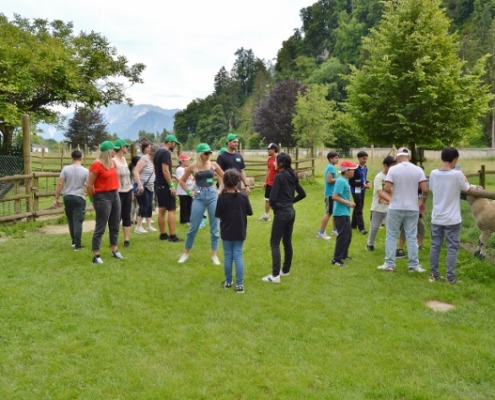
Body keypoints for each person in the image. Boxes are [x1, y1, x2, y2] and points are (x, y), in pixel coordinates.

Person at [377, 147, 428, 273]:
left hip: (396, 206)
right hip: (412, 207)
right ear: (409, 157)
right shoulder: (418, 169)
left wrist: (395, 192)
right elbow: (425, 189)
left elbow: (387, 188)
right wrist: (422, 202)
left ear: (398, 157)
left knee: (391, 235)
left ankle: (389, 264)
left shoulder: (393, 169)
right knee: (411, 236)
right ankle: (413, 265)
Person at [428, 147, 471, 284]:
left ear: (442, 158)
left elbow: (431, 188)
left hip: (437, 217)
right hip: (452, 218)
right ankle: (450, 277)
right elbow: (467, 188)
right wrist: (463, 176)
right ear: (455, 159)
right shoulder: (457, 174)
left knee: (435, 246)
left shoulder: (433, 173)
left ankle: (434, 274)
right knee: (452, 247)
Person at [262, 153, 306, 283]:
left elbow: (272, 198)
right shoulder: (292, 175)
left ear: (281, 163)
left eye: (276, 161)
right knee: (287, 241)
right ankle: (285, 270)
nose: (274, 163)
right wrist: (290, 202)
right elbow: (302, 194)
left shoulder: (279, 177)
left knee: (274, 242)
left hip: (282, 213)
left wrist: (276, 207)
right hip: (291, 212)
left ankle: (275, 275)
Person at [177, 143, 225, 265]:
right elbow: (182, 181)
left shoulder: (213, 165)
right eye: (206, 153)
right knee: (193, 227)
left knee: (215, 228)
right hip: (198, 197)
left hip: (212, 196)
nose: (209, 155)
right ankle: (185, 253)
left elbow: (224, 177)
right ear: (200, 154)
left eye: (209, 152)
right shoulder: (192, 166)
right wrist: (189, 192)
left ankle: (214, 255)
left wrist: (220, 190)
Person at [215, 169, 253, 293]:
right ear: (237, 182)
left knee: (228, 256)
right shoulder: (243, 196)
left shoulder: (222, 197)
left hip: (226, 230)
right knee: (238, 255)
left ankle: (228, 281)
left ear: (224, 181)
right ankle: (239, 284)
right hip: (239, 229)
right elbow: (249, 212)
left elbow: (218, 214)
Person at [86, 141, 124, 264]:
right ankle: (96, 255)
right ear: (108, 151)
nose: (115, 151)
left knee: (115, 224)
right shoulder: (96, 165)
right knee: (100, 227)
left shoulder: (113, 163)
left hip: (115, 195)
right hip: (102, 197)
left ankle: (115, 250)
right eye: (113, 149)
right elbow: (89, 185)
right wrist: (92, 200)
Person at [54, 149, 89, 250]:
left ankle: (73, 241)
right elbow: (88, 185)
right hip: (79, 197)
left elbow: (60, 184)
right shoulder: (85, 171)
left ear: (72, 158)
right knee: (78, 221)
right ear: (81, 158)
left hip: (67, 197)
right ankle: (77, 245)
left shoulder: (65, 169)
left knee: (71, 220)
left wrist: (56, 198)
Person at [154, 134, 181, 242]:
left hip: (158, 184)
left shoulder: (157, 153)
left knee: (161, 210)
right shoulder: (166, 153)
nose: (175, 146)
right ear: (170, 142)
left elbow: (157, 170)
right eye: (175, 144)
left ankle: (163, 235)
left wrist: (171, 174)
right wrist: (171, 185)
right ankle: (173, 236)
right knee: (172, 210)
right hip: (165, 185)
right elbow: (165, 170)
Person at [366, 155, 396, 251]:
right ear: (385, 165)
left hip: (390, 208)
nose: (393, 169)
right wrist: (391, 200)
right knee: (374, 227)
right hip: (377, 207)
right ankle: (370, 244)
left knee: (390, 228)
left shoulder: (394, 177)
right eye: (391, 166)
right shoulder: (379, 177)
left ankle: (390, 247)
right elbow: (380, 192)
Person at [331, 160, 357, 266]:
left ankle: (344, 255)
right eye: (352, 170)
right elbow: (335, 196)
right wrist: (348, 203)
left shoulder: (345, 180)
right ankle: (336, 259)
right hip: (340, 213)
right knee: (343, 235)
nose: (354, 171)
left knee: (348, 235)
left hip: (345, 212)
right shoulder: (341, 181)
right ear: (346, 171)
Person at [113, 138, 133, 247]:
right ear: (121, 148)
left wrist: (131, 191)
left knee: (127, 215)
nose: (127, 148)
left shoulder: (124, 159)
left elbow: (128, 176)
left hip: (128, 190)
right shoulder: (113, 161)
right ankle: (114, 239)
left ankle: (126, 240)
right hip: (118, 192)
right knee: (117, 217)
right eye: (126, 146)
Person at [133, 144, 158, 233]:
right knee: (144, 205)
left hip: (150, 186)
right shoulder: (144, 159)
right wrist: (140, 184)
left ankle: (148, 225)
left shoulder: (153, 161)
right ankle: (138, 226)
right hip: (142, 186)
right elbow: (136, 171)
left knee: (149, 205)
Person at [316, 151, 339, 240]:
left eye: (337, 157)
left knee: (335, 212)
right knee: (328, 213)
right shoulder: (331, 167)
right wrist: (339, 179)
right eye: (335, 157)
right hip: (330, 194)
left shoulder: (331, 167)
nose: (337, 159)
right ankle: (321, 232)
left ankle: (335, 230)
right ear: (330, 159)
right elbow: (329, 180)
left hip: (332, 194)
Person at [349, 150, 370, 234]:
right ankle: (361, 228)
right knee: (359, 208)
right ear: (359, 158)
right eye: (363, 158)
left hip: (362, 190)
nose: (365, 160)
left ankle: (353, 225)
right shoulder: (355, 168)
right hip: (356, 190)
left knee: (358, 206)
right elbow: (351, 181)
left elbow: (364, 178)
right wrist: (362, 184)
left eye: (366, 158)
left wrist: (367, 183)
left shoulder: (365, 168)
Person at [258, 143, 279, 221]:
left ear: (273, 150)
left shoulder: (279, 159)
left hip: (277, 183)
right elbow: (268, 170)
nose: (267, 151)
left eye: (269, 149)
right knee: (267, 199)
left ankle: (279, 215)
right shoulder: (269, 159)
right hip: (269, 183)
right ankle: (266, 216)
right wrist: (265, 181)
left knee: (276, 199)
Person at [175, 153, 193, 224]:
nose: (188, 162)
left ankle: (188, 219)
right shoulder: (179, 169)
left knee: (189, 205)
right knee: (184, 206)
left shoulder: (187, 168)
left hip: (189, 189)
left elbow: (191, 178)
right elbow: (181, 180)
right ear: (182, 161)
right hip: (183, 191)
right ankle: (184, 220)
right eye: (186, 160)